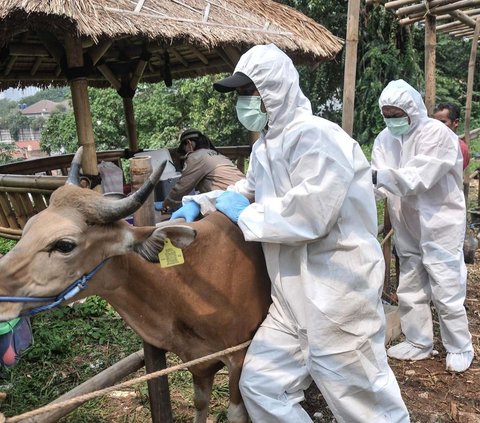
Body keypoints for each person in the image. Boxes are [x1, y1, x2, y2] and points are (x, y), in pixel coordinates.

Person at [172, 44, 409, 422]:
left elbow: (309, 216)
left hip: (335, 295)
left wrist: (245, 213)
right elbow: (248, 190)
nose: (244, 103)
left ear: (275, 91)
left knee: (364, 404)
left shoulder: (319, 138)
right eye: (240, 95)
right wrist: (205, 203)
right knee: (262, 384)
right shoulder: (266, 147)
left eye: (249, 93)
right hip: (289, 299)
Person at [371, 79, 474, 373]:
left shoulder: (438, 135)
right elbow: (379, 184)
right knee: (411, 284)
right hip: (407, 224)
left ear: (413, 109)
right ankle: (419, 341)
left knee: (446, 284)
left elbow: (416, 178)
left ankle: (459, 345)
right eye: (387, 114)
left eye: (397, 113)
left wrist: (374, 177)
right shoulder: (383, 139)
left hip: (440, 221)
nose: (392, 120)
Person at [160, 128, 244, 211]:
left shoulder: (195, 157)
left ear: (189, 143)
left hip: (231, 200)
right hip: (245, 193)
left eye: (183, 149)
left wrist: (165, 208)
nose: (185, 153)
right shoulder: (218, 155)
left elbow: (181, 189)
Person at [433, 102, 470, 170]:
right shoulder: (429, 142)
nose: (437, 126)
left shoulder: (461, 149)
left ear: (455, 122)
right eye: (435, 122)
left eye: (442, 122)